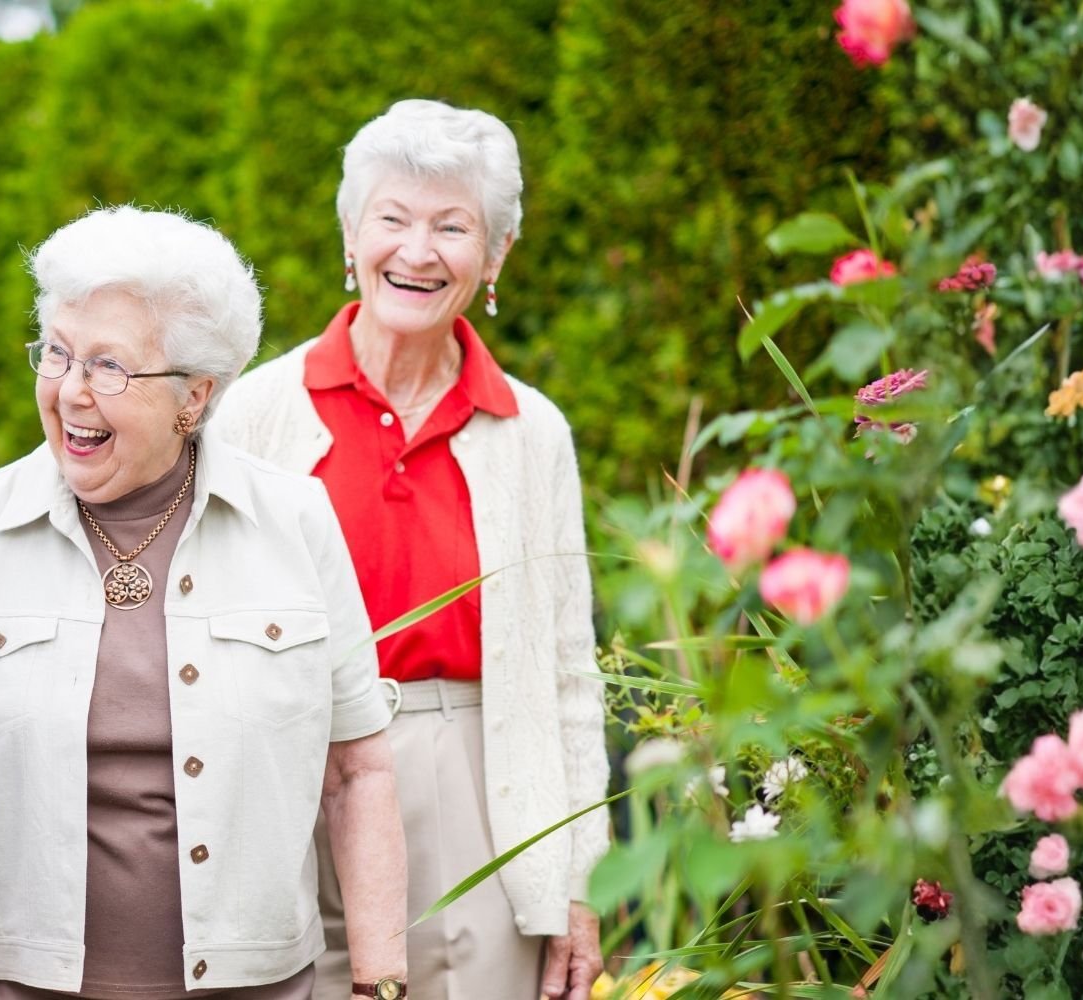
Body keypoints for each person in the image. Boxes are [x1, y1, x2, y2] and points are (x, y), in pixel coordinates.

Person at [0, 206, 410, 1000]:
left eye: (108, 367)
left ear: (194, 396)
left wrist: (380, 982)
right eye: (56, 353)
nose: (70, 392)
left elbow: (356, 772)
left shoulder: (293, 520)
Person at [211, 99, 610, 1000]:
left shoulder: (531, 432)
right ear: (351, 233)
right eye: (392, 218)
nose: (417, 251)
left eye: (452, 227)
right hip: (291, 786)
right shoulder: (255, 414)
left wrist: (579, 882)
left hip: (476, 795)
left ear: (496, 254)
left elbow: (568, 676)